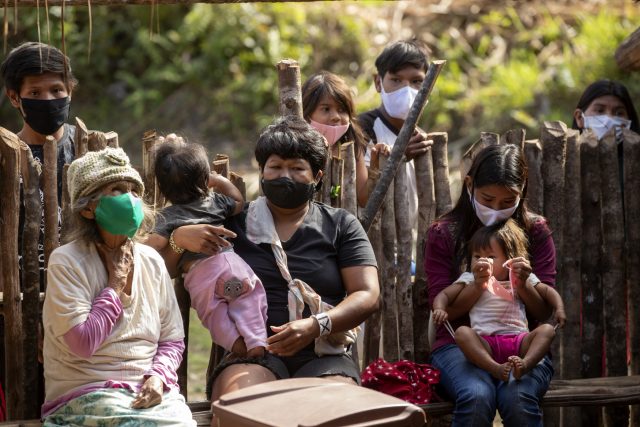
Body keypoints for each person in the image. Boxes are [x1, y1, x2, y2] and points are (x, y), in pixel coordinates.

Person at [167, 116, 380, 425]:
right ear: (262, 172)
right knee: (242, 414)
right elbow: (160, 268)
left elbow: (368, 294)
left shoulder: (341, 225)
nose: (285, 176)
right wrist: (177, 238)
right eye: (275, 167)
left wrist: (315, 325)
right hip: (253, 353)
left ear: (317, 176)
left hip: (323, 355)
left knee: (335, 416)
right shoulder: (233, 224)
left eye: (297, 168)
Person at [41, 147, 194, 426]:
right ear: (88, 208)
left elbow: (172, 339)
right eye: (116, 189)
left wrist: (157, 377)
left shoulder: (151, 261)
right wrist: (115, 284)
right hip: (85, 393)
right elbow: (83, 344)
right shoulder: (67, 262)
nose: (131, 198)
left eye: (134, 191)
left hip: (146, 391)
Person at [424, 143, 556, 427]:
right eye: (487, 199)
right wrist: (477, 286)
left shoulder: (536, 231)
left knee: (517, 396)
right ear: (469, 185)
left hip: (523, 343)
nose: (497, 210)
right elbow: (445, 312)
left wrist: (521, 286)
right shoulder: (444, 233)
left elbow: (545, 314)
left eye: (508, 201)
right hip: (458, 344)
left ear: (522, 191)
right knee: (476, 394)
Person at [145, 137, 268, 358]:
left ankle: (239, 347)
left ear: (162, 187)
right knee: (249, 299)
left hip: (202, 278)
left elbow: (153, 246)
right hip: (232, 266)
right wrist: (219, 180)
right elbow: (238, 201)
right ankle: (257, 340)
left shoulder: (167, 216)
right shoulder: (216, 202)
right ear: (205, 179)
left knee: (214, 315)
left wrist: (140, 237)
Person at [432, 219, 565, 382]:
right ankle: (494, 368)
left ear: (510, 259)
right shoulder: (470, 278)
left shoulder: (521, 277)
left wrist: (559, 309)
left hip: (519, 340)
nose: (482, 261)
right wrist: (439, 308)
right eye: (477, 256)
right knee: (462, 333)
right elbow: (444, 295)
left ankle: (525, 364)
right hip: (485, 344)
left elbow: (548, 291)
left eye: (491, 257)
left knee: (547, 331)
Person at [358, 38, 433, 224]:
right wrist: (399, 154)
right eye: (396, 80)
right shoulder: (362, 130)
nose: (406, 89)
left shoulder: (421, 138)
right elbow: (363, 198)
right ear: (378, 82)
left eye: (417, 81)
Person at [302, 71, 371, 207]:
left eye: (342, 110)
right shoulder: (296, 148)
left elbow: (364, 198)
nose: (336, 117)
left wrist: (376, 165)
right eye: (326, 109)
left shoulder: (351, 147)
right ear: (307, 113)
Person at [571, 79, 639, 139]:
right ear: (579, 118)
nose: (609, 118)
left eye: (619, 113)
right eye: (600, 110)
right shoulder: (566, 153)